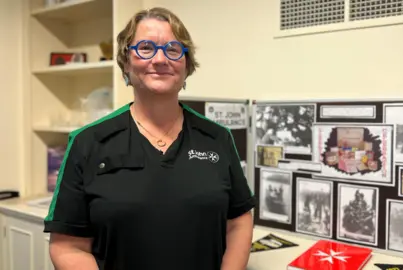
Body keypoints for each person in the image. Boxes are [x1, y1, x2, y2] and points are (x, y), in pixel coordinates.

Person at [44, 7, 256, 270]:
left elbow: (239, 221)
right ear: (126, 63)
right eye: (145, 48)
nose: (160, 59)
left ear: (186, 66)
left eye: (174, 49)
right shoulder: (88, 143)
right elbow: (68, 246)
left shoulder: (217, 139)